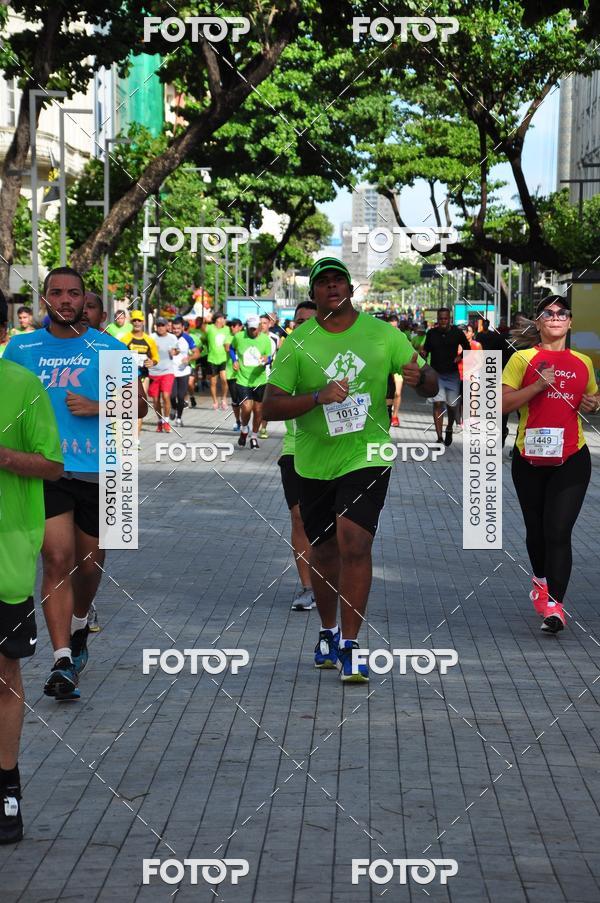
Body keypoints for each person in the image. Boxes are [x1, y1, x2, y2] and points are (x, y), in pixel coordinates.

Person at [263, 257, 438, 682]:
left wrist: (422, 377)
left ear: (350, 288)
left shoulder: (383, 335)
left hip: (368, 454)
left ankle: (352, 645)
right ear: (315, 293)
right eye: (322, 282)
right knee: (323, 551)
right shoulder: (298, 342)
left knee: (354, 542)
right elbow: (270, 406)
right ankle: (328, 630)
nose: (331, 287)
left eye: (338, 279)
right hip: (313, 460)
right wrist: (317, 398)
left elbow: (430, 381)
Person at [3, 266, 148, 700]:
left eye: (73, 293)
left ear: (86, 299)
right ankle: (62, 659)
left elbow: (138, 406)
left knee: (89, 566)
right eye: (56, 293)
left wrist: (98, 405)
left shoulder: (107, 347)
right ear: (45, 299)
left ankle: (81, 624)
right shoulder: (22, 347)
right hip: (47, 470)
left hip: (100, 468)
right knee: (57, 558)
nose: (65, 300)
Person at [0, 292, 63, 843]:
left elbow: (51, 464)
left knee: (3, 675)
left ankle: (6, 791)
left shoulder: (21, 387)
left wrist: (3, 456)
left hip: (5, 558)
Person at [502, 295, 599, 634]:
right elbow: (499, 404)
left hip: (572, 457)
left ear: (570, 322)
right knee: (536, 531)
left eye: (562, 313)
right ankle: (540, 580)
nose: (556, 317)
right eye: (548, 313)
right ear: (540, 322)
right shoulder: (521, 360)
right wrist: (539, 385)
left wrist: (592, 404)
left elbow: (592, 397)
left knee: (558, 531)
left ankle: (555, 607)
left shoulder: (582, 362)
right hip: (528, 458)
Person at [277, 301, 318, 610]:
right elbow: (274, 402)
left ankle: (330, 579)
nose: (301, 326)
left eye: (308, 320)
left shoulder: (338, 353)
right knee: (299, 516)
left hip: (337, 450)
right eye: (297, 321)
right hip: (295, 448)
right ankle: (308, 587)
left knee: (334, 523)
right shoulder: (286, 355)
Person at [422, 308, 470, 447]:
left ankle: (449, 427)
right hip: (436, 374)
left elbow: (467, 347)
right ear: (438, 319)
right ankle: (439, 437)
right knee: (437, 404)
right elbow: (426, 349)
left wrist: (459, 357)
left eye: (445, 319)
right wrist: (423, 354)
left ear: (450, 319)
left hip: (452, 374)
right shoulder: (431, 333)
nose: (443, 321)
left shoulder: (457, 333)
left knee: (452, 405)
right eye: (441, 319)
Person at [231, 315, 272, 449]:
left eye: (255, 329)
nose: (253, 331)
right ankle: (244, 429)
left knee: (258, 410)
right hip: (243, 379)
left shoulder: (266, 340)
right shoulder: (239, 337)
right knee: (247, 408)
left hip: (260, 380)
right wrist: (234, 360)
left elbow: (270, 357)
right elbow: (231, 348)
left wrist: (267, 360)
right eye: (250, 329)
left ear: (260, 327)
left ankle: (254, 437)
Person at [123, 311, 159, 441]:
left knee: (139, 403)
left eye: (139, 320)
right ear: (131, 322)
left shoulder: (149, 340)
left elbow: (155, 357)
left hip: (143, 375)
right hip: (127, 375)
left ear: (143, 322)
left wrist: (152, 362)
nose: (137, 323)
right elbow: (116, 353)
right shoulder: (125, 338)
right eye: (134, 321)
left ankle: (135, 439)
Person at [148, 317, 179, 432]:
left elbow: (177, 350)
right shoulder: (151, 337)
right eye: (158, 325)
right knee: (155, 400)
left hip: (167, 371)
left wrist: (174, 352)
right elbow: (145, 350)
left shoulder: (172, 337)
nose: (160, 327)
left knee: (166, 396)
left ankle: (166, 421)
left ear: (167, 326)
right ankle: (159, 421)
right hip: (153, 372)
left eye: (162, 325)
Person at [258, 314, 284, 439]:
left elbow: (278, 356)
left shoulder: (275, 338)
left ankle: (263, 428)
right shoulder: (252, 337)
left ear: (270, 324)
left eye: (264, 323)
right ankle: (250, 425)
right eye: (260, 323)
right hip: (250, 375)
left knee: (264, 403)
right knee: (253, 405)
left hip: (268, 374)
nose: (261, 325)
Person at [170, 316, 197, 427]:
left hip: (184, 371)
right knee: (172, 396)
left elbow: (196, 353)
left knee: (181, 396)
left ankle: (179, 418)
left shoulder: (188, 338)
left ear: (182, 328)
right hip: (170, 371)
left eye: (178, 328)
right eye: (174, 328)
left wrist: (189, 358)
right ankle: (173, 407)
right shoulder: (168, 338)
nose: (176, 330)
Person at [203, 312, 231, 410]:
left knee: (224, 379)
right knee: (213, 383)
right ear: (217, 319)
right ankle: (215, 401)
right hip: (212, 359)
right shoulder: (210, 328)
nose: (224, 320)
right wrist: (205, 320)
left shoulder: (227, 329)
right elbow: (202, 328)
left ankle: (223, 399)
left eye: (224, 318)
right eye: (223, 318)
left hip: (223, 358)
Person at [226, 318, 243, 431]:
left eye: (235, 325)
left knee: (246, 401)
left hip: (244, 374)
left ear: (240, 327)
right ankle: (238, 421)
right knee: (235, 400)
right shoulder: (228, 337)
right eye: (231, 326)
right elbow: (227, 347)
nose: (232, 328)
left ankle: (245, 421)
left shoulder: (245, 337)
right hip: (231, 373)